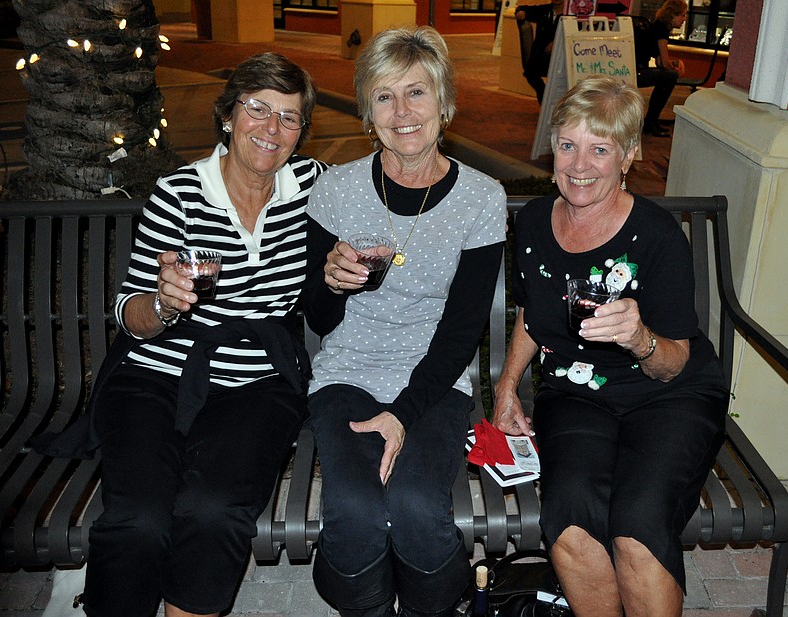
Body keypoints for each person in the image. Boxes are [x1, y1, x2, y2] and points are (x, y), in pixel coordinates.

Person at [35, 52, 327, 617]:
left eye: (289, 117)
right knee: (139, 517)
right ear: (227, 116)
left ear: (301, 132)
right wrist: (165, 303)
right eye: (257, 108)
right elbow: (128, 312)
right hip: (156, 374)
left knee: (215, 509)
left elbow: (391, 172)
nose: (272, 128)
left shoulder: (311, 187)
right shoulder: (178, 193)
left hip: (258, 381)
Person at [491, 76, 728, 617]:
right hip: (576, 393)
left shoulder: (657, 235)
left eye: (600, 149)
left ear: (628, 156)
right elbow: (532, 311)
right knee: (570, 522)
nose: (580, 164)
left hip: (668, 394)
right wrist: (507, 388)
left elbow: (674, 362)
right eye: (568, 145)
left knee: (637, 526)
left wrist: (638, 338)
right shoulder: (531, 222)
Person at [301, 26, 507, 617]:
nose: (403, 112)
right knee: (358, 511)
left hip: (434, 379)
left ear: (444, 103)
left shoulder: (480, 198)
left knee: (417, 505)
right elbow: (316, 316)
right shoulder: (336, 189)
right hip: (347, 374)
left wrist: (401, 415)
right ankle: (365, 602)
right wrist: (330, 283)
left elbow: (463, 330)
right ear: (367, 110)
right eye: (385, 96)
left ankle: (429, 604)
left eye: (417, 93)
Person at [634, 0, 689, 136]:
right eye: (682, 15)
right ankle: (651, 120)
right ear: (673, 15)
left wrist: (674, 64)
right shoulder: (661, 30)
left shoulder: (658, 27)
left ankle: (652, 120)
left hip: (635, 69)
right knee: (670, 77)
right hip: (637, 71)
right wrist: (675, 70)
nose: (684, 19)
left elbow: (660, 61)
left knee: (668, 76)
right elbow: (664, 63)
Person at [515, 0, 566, 104]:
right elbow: (522, 8)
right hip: (541, 55)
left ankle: (549, 100)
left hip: (561, 57)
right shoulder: (544, 10)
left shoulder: (570, 14)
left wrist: (557, 44)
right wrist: (520, 12)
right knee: (530, 73)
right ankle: (544, 96)